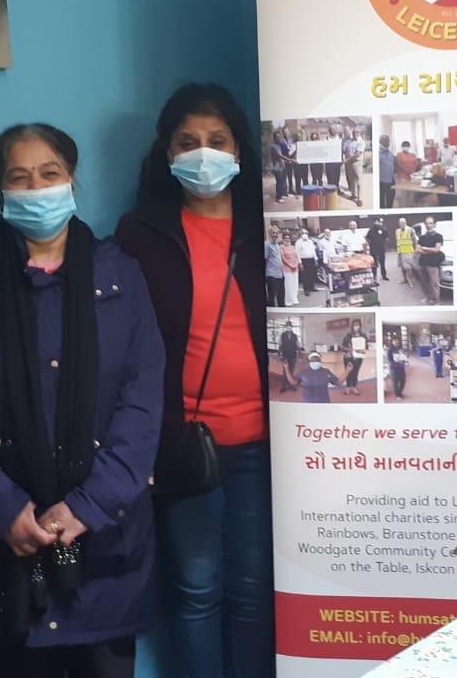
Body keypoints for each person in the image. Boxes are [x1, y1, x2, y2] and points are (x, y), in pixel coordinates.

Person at [0, 124, 164, 678]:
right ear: (0, 189)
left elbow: (142, 401)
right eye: (19, 177)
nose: (36, 188)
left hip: (103, 543)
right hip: (4, 549)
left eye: (49, 173)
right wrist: (1, 506)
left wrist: (85, 506)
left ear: (72, 180)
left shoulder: (120, 275)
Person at [115, 83, 273, 678]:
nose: (203, 154)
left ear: (238, 150)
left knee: (253, 587)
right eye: (188, 142)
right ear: (167, 153)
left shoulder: (270, 225)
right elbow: (128, 349)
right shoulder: (141, 234)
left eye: (217, 140)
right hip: (183, 443)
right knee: (197, 588)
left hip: (264, 442)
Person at [416, 220, 446, 304]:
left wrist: (424, 248)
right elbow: (417, 250)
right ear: (425, 225)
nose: (429, 225)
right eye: (427, 223)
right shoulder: (422, 237)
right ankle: (428, 297)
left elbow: (436, 249)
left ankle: (436, 301)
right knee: (424, 282)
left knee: (434, 283)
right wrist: (430, 250)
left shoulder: (438, 236)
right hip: (422, 262)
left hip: (433, 263)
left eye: (431, 223)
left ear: (434, 225)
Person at [340, 321, 367, 396]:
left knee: (355, 372)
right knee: (348, 372)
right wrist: (349, 349)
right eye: (354, 325)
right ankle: (348, 387)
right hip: (348, 356)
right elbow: (343, 347)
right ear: (352, 326)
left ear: (360, 326)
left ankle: (354, 387)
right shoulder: (348, 336)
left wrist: (362, 350)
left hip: (358, 357)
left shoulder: (363, 335)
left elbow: (365, 347)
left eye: (357, 325)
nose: (356, 326)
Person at [264, 225, 285, 308]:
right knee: (272, 296)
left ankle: (282, 311)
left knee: (281, 295)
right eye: (273, 233)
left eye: (277, 233)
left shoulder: (276, 244)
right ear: (269, 233)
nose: (275, 234)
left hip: (280, 274)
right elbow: (265, 259)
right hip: (271, 274)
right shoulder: (266, 245)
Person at [394, 218, 418, 289]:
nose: (402, 224)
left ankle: (409, 280)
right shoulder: (397, 231)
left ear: (405, 223)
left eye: (403, 223)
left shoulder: (410, 230)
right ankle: (404, 279)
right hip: (400, 252)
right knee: (402, 266)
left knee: (408, 268)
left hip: (408, 251)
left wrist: (415, 249)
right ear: (399, 223)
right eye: (400, 223)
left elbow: (415, 240)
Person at [278, 324, 301, 392]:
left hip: (293, 356)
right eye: (287, 326)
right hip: (285, 356)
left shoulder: (295, 336)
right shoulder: (282, 335)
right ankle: (284, 386)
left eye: (290, 326)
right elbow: (280, 345)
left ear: (291, 327)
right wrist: (280, 355)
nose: (289, 327)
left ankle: (291, 385)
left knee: (291, 371)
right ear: (286, 327)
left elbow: (298, 345)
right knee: (285, 371)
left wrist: (299, 353)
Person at [366, 218, 389, 282]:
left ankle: (384, 276)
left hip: (381, 249)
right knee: (374, 264)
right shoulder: (371, 230)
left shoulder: (383, 229)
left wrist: (383, 244)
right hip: (373, 249)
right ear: (373, 222)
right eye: (375, 222)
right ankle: (374, 276)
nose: (376, 223)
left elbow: (387, 238)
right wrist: (370, 244)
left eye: (377, 222)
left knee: (382, 263)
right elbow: (367, 238)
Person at [280, 233, 301, 307]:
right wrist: (290, 265)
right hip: (287, 268)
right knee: (288, 284)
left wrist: (296, 264)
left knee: (295, 284)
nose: (287, 239)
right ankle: (288, 300)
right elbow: (283, 258)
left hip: (295, 268)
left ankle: (294, 298)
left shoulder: (292, 247)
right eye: (285, 238)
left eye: (288, 238)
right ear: (283, 239)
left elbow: (297, 256)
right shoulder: (281, 247)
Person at [296, 229, 319, 295]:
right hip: (304, 260)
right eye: (303, 233)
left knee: (312, 274)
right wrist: (300, 263)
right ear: (301, 234)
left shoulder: (310, 241)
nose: (305, 234)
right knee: (305, 275)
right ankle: (306, 289)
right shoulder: (298, 242)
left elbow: (313, 250)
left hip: (311, 259)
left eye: (306, 233)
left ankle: (312, 287)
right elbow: (297, 253)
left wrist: (315, 259)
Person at [378, 134, 397, 208]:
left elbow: (392, 164)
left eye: (388, 140)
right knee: (381, 200)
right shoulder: (378, 153)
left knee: (391, 197)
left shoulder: (390, 153)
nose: (388, 142)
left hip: (391, 180)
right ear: (380, 141)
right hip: (382, 180)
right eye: (385, 140)